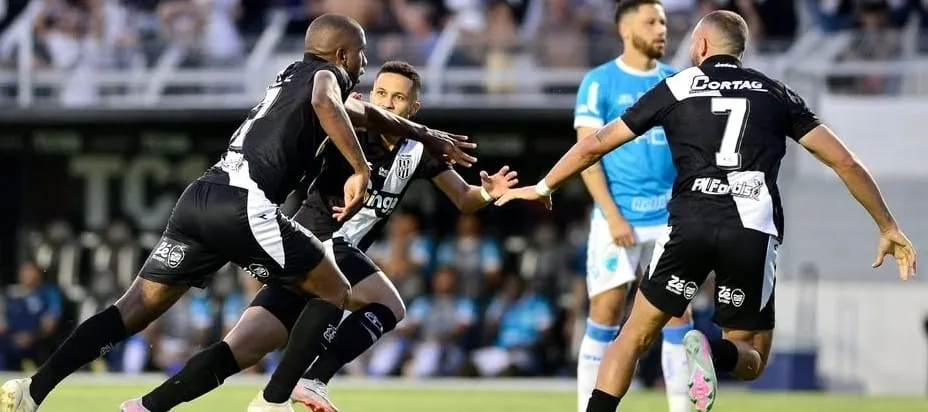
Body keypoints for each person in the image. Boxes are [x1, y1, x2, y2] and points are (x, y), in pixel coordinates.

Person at [0, 14, 475, 412]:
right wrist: (360, 170)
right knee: (335, 288)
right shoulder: (323, 78)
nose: (364, 64)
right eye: (363, 54)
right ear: (344, 55)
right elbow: (327, 99)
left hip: (202, 197)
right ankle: (273, 404)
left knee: (131, 311)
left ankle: (32, 391)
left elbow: (369, 115)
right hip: (243, 203)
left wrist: (425, 134)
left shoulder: (291, 74)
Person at [496, 10, 917, 412]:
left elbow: (594, 144)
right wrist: (887, 225)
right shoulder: (776, 93)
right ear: (739, 51)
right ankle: (713, 350)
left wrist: (544, 185)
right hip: (751, 228)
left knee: (632, 338)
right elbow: (844, 162)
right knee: (750, 353)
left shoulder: (678, 86)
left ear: (700, 45)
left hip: (689, 223)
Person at [117, 61, 515, 412]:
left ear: (414, 108)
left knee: (242, 349)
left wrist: (487, 192)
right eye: (381, 92)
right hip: (314, 243)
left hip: (316, 262)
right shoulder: (351, 128)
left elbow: (464, 198)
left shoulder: (419, 149)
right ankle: (302, 386)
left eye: (398, 98)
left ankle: (147, 406)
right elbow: (325, 110)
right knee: (389, 305)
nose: (388, 103)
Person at [572, 2, 691, 411]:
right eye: (651, 22)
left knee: (677, 316)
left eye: (663, 22)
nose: (661, 29)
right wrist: (613, 215)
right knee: (605, 314)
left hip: (668, 221)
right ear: (626, 30)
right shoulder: (599, 82)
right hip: (616, 219)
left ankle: (683, 407)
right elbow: (586, 153)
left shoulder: (676, 81)